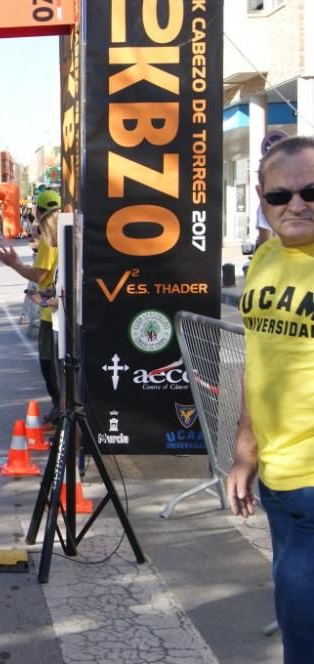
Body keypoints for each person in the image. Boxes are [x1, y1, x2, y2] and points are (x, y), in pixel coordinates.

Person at [226, 135, 314, 664]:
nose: (297, 204)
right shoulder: (264, 259)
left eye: (312, 191)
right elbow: (259, 359)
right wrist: (245, 450)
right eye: (281, 196)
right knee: (296, 623)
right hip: (280, 483)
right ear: (261, 197)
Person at [0, 189, 61, 423]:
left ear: (38, 211)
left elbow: (39, 274)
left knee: (49, 366)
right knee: (60, 366)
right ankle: (62, 412)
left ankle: (59, 413)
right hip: (61, 307)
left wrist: (14, 264)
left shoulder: (49, 237)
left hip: (51, 313)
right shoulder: (65, 233)